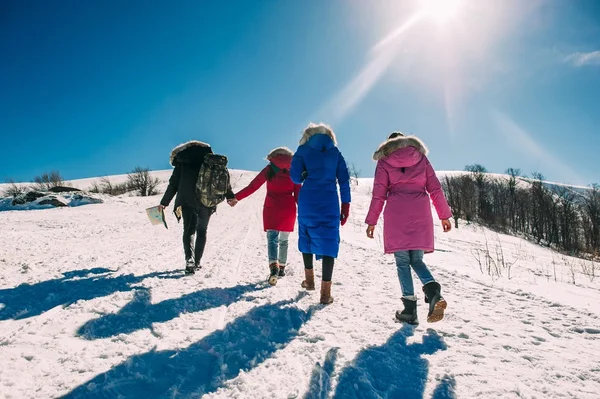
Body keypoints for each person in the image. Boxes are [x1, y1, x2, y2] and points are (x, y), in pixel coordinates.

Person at [365, 132, 452, 324]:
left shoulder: (384, 161)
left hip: (397, 214)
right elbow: (435, 188)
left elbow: (378, 195)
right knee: (417, 260)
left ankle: (409, 310)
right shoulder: (421, 157)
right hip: (420, 212)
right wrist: (444, 215)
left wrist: (372, 221)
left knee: (403, 262)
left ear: (389, 145)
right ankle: (433, 292)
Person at [290, 123, 351, 305]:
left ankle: (309, 281)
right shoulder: (336, 153)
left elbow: (295, 178)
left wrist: (304, 174)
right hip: (330, 202)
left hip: (308, 200)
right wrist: (345, 205)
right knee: (329, 241)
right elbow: (344, 180)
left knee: (306, 236)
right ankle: (326, 293)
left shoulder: (303, 150)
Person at [158, 140, 237, 274]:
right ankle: (197, 262)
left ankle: (190, 260)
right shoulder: (211, 159)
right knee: (202, 231)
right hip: (207, 201)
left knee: (189, 231)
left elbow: (173, 184)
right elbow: (224, 180)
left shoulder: (182, 160)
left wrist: (164, 202)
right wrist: (230, 196)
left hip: (188, 200)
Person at [234, 147, 301, 286]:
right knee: (284, 241)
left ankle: (273, 267)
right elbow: (298, 195)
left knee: (272, 239)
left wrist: (236, 198)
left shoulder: (270, 168)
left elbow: (253, 186)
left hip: (272, 209)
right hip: (288, 210)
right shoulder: (294, 170)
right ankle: (282, 268)